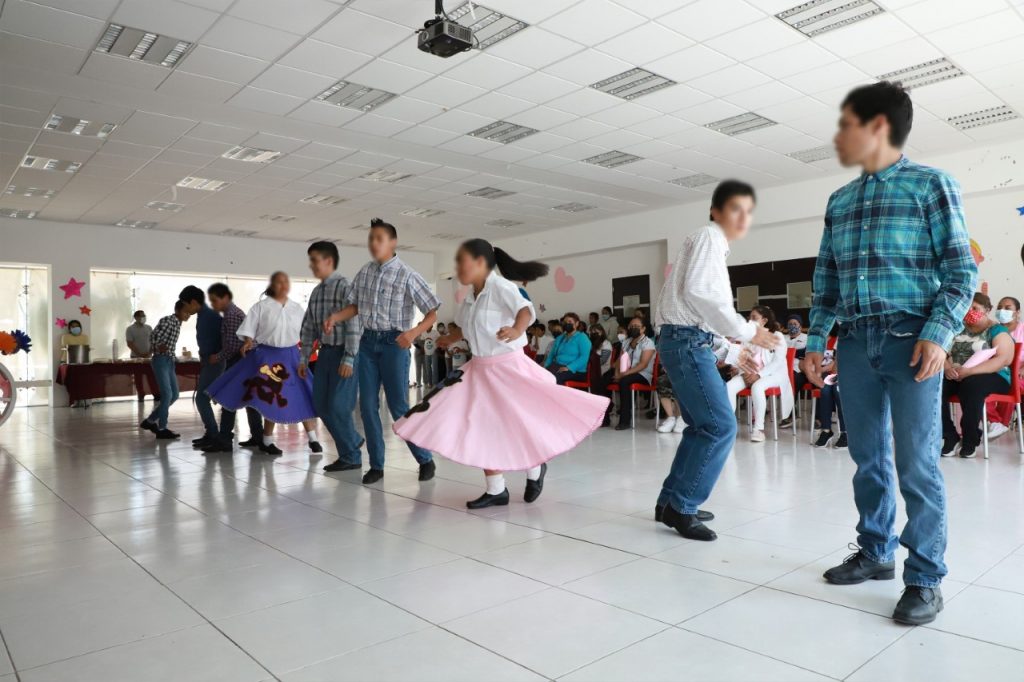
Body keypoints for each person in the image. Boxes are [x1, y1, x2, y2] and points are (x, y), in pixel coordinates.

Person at [805, 81, 976, 626]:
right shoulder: (840, 200)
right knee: (867, 458)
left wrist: (939, 332)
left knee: (917, 463)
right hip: (856, 342)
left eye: (847, 123)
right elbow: (827, 280)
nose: (839, 134)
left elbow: (961, 273)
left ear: (877, 126)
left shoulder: (931, 185)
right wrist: (816, 341)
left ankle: (924, 577)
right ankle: (876, 551)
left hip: (912, 341)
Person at [393, 239, 609, 508]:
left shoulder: (502, 287)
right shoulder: (469, 297)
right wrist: (449, 338)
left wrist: (517, 330)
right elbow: (463, 326)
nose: (458, 267)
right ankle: (496, 489)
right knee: (482, 426)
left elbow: (525, 311)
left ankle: (535, 467)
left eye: (463, 261)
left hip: (508, 368)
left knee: (519, 422)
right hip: (479, 370)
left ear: (480, 263)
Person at [654, 179, 777, 541]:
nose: (742, 218)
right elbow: (702, 296)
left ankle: (670, 502)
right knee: (720, 426)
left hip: (686, 341)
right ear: (715, 211)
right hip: (686, 342)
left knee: (700, 426)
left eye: (748, 212)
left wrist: (733, 351)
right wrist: (748, 332)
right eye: (735, 209)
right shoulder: (709, 237)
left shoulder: (710, 244)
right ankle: (682, 506)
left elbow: (698, 313)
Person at [322, 217, 441, 485]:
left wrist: (412, 333)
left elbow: (432, 313)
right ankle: (376, 465)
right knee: (367, 406)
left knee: (398, 407)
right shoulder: (365, 271)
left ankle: (425, 458)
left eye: (379, 239)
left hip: (394, 344)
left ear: (392, 242)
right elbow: (355, 306)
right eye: (371, 239)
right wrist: (335, 317)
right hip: (367, 344)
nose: (373, 243)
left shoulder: (407, 274)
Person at [205, 272, 321, 456]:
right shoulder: (261, 307)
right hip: (268, 357)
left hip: (292, 356)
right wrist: (248, 341)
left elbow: (307, 330)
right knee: (271, 398)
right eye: (279, 282)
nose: (283, 285)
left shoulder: (296, 308)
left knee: (300, 394)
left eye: (285, 282)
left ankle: (313, 438)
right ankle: (267, 440)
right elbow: (249, 329)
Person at [297, 241, 364, 472]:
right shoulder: (316, 292)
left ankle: (351, 456)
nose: (311, 265)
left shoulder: (345, 287)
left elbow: (354, 323)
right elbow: (308, 327)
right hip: (324, 354)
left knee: (338, 406)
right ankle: (353, 441)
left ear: (328, 261)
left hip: (344, 352)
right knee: (321, 405)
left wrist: (349, 357)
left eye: (314, 261)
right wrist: (304, 358)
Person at [940, 292, 1014, 459]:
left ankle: (970, 439)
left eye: (975, 308)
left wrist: (970, 371)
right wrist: (947, 368)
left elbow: (1004, 358)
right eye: (966, 308)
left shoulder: (997, 330)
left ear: (987, 310)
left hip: (992, 375)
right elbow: (941, 352)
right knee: (933, 387)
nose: (970, 312)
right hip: (957, 374)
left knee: (971, 385)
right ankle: (950, 436)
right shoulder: (957, 328)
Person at [202, 284, 263, 453]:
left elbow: (233, 346)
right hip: (244, 361)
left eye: (215, 300)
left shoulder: (232, 316)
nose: (213, 304)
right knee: (249, 400)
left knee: (228, 400)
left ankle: (225, 440)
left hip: (239, 361)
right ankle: (258, 437)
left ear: (225, 298)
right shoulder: (233, 313)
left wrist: (217, 357)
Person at [722, 306, 793, 442]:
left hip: (773, 375)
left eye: (754, 318)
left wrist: (759, 375)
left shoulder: (777, 336)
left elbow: (777, 362)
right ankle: (729, 427)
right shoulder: (748, 337)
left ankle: (759, 430)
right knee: (729, 387)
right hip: (750, 373)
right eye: (749, 317)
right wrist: (743, 372)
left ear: (764, 320)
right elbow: (742, 358)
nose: (750, 320)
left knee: (757, 386)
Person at [178, 285, 225, 449]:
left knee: (201, 398)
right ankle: (211, 433)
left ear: (193, 302)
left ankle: (214, 434)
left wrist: (218, 355)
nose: (185, 308)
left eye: (185, 304)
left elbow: (225, 338)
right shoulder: (204, 315)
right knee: (203, 398)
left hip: (214, 362)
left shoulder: (210, 316)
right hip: (208, 361)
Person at [140, 300, 191, 439]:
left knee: (174, 395)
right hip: (161, 360)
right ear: (177, 310)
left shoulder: (178, 324)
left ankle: (150, 421)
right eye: (185, 312)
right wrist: (158, 345)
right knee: (167, 395)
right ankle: (162, 429)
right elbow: (153, 336)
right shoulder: (168, 320)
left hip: (169, 361)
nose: (187, 315)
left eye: (189, 313)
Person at [599, 316, 656, 430]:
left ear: (643, 329)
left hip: (642, 374)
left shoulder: (648, 343)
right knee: (604, 378)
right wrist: (616, 373)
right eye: (631, 326)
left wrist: (622, 375)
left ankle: (625, 421)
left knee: (624, 382)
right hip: (625, 372)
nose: (633, 328)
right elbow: (619, 360)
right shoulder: (626, 342)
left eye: (637, 326)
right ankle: (604, 417)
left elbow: (643, 365)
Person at [987, 296, 1023, 438]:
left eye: (1007, 308)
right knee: (979, 386)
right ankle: (997, 423)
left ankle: (1000, 422)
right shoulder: (993, 330)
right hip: (998, 370)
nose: (1002, 311)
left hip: (1019, 373)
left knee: (1012, 384)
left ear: (1017, 312)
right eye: (1000, 307)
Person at [543, 312, 591, 384]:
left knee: (555, 378)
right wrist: (545, 366)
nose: (567, 324)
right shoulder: (560, 338)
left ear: (577, 323)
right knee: (542, 375)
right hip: (558, 366)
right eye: (565, 322)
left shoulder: (582, 338)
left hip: (576, 371)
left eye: (570, 322)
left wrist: (569, 367)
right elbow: (551, 355)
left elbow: (584, 357)